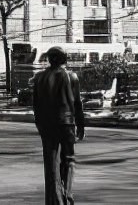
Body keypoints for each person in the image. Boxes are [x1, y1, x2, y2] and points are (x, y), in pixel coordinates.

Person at [31, 46, 85, 205]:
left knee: (50, 163)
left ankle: (55, 199)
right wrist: (80, 124)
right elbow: (77, 103)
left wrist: (39, 124)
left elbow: (36, 105)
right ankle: (67, 193)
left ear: (49, 59)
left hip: (47, 125)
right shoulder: (71, 76)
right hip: (66, 124)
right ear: (64, 59)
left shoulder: (39, 77)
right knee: (68, 159)